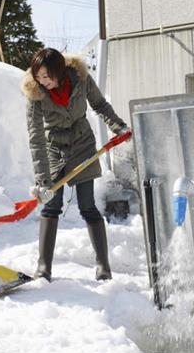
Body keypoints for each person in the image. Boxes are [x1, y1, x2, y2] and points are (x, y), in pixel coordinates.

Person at [21, 48, 129, 282]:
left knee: (88, 206)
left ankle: (103, 266)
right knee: (51, 206)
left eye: (47, 76)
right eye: (38, 77)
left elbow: (99, 104)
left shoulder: (80, 79)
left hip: (82, 144)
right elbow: (36, 135)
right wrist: (41, 181)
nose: (42, 81)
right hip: (53, 148)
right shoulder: (35, 93)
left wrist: (118, 126)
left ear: (60, 72)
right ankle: (44, 268)